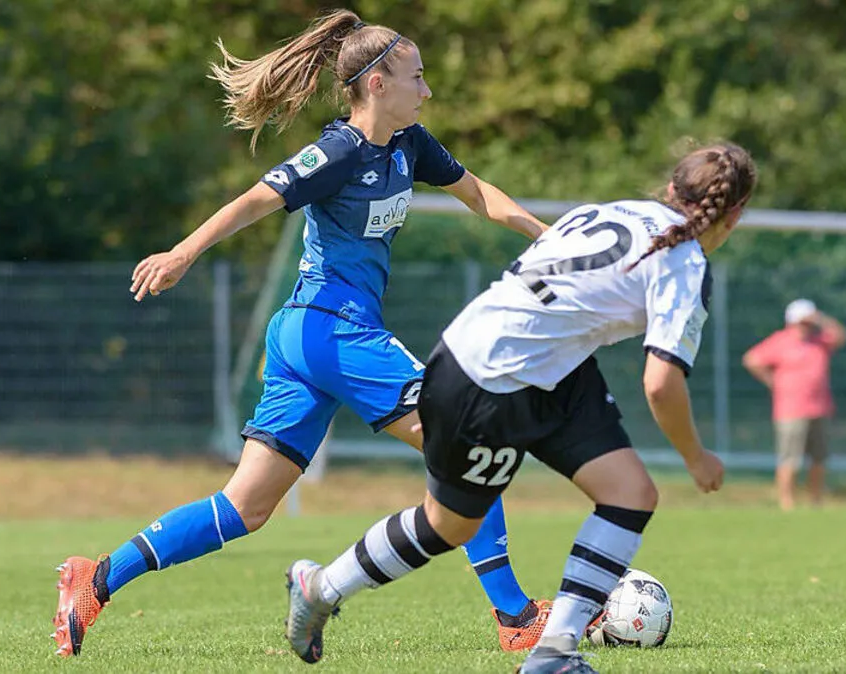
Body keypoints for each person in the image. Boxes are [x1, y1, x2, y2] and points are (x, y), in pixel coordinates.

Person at [52, 10, 555, 658]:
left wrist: (551, 237)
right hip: (329, 330)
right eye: (417, 77)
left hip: (308, 339)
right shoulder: (337, 152)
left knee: (244, 508)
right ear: (377, 84)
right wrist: (182, 252)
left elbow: (479, 193)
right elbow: (255, 200)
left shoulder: (411, 145)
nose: (427, 90)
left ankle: (96, 578)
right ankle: (516, 617)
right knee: (469, 440)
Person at [276, 142, 755, 672]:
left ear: (670, 188)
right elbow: (661, 384)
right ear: (734, 215)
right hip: (490, 379)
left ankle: (554, 652)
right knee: (449, 525)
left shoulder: (615, 210)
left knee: (630, 494)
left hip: (511, 359)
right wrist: (696, 458)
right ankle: (321, 587)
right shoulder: (685, 262)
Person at [743, 299, 846, 511]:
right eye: (803, 321)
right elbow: (752, 359)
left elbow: (841, 335)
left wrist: (820, 318)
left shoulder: (820, 341)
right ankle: (786, 502)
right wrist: (771, 380)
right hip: (790, 410)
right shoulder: (780, 341)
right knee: (789, 458)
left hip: (820, 408)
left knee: (819, 458)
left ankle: (815, 500)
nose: (806, 326)